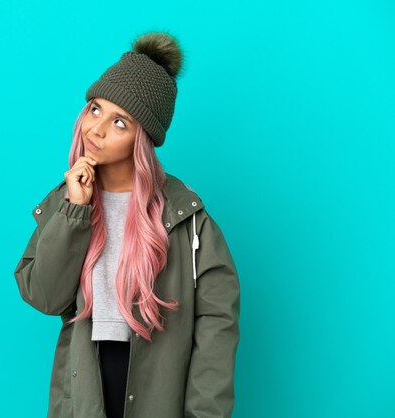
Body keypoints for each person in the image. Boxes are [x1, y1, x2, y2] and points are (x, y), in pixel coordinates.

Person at [14, 31, 240, 418]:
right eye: (95, 109)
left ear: (143, 138)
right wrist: (75, 212)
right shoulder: (66, 201)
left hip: (159, 384)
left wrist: (204, 412)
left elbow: (218, 322)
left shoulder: (185, 217)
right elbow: (44, 297)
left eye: (120, 122)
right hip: (86, 379)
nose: (97, 130)